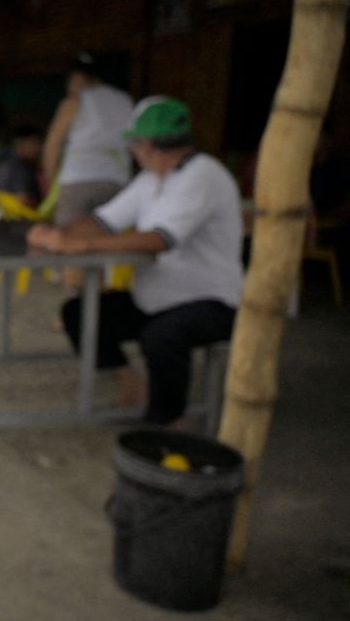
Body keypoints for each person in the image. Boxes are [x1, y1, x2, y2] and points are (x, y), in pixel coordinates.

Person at [27, 97, 243, 426]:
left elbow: (158, 240)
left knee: (162, 335)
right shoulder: (151, 179)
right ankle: (130, 381)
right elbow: (103, 220)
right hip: (155, 299)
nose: (134, 152)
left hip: (211, 302)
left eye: (135, 145)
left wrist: (81, 245)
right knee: (79, 313)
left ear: (149, 146)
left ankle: (167, 420)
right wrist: (58, 234)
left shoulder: (202, 177)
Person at [42, 52, 135, 288]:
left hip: (78, 180)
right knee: (102, 243)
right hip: (117, 181)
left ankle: (77, 309)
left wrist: (51, 179)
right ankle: (99, 303)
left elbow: (53, 145)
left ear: (77, 78)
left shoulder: (74, 102)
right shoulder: (126, 101)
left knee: (72, 245)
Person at [0, 125, 44, 208]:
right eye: (35, 143)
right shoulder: (23, 167)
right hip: (24, 216)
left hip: (6, 213)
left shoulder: (5, 162)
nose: (39, 148)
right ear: (20, 143)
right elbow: (23, 199)